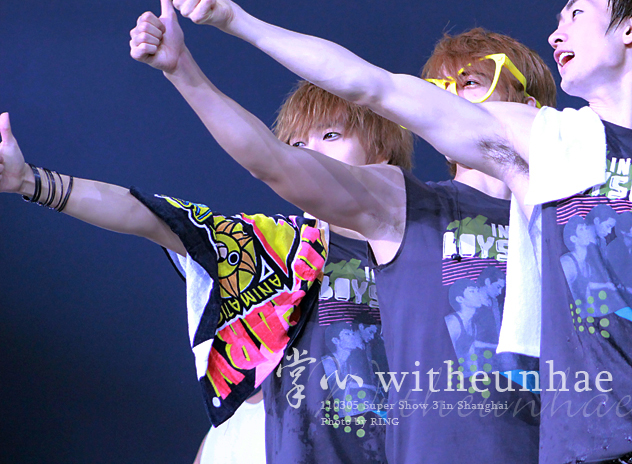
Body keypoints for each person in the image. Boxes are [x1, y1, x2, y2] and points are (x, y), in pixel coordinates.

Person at [155, 0, 632, 464]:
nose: (557, 32)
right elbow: (373, 87)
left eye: (576, 14)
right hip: (592, 449)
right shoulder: (546, 142)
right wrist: (235, 21)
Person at [129, 0, 556, 464]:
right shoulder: (409, 207)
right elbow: (271, 160)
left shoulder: (566, 215)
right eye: (438, 89)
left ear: (530, 108)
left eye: (472, 82)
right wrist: (186, 70)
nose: (450, 99)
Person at [0, 78, 413, 464]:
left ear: (381, 152)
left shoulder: (428, 252)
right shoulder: (280, 247)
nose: (309, 154)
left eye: (331, 135)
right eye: (297, 143)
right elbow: (150, 217)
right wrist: (29, 182)